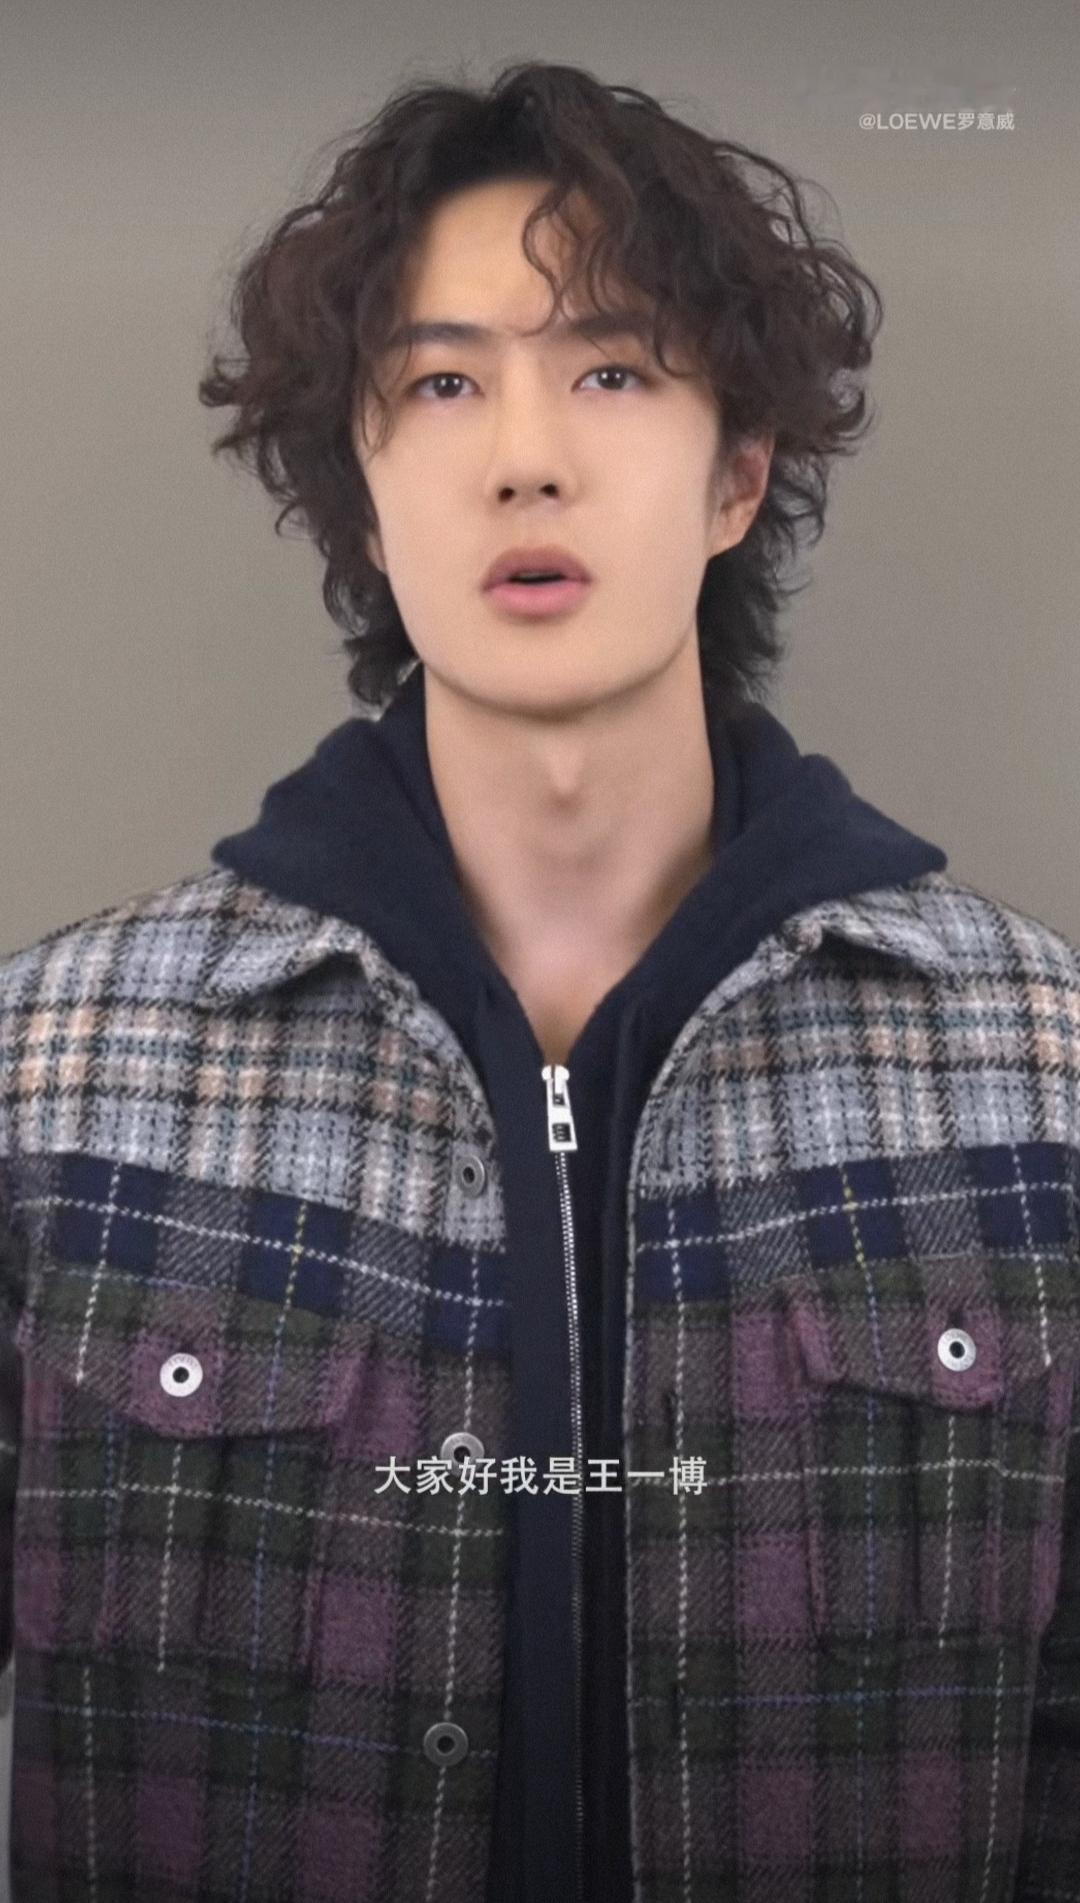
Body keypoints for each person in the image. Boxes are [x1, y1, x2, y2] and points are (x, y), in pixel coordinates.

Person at [0, 57, 1077, 1903]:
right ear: (363, 486)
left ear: (738, 474)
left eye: (612, 370)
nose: (525, 454)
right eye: (442, 382)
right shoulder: (51, 1079)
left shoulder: (1040, 1081)